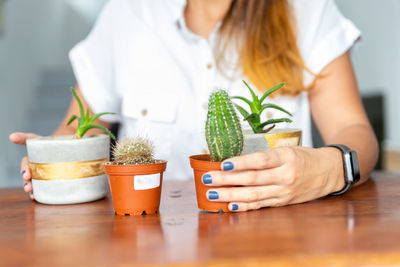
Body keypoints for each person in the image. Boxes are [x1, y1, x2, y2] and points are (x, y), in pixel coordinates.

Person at [10, 0, 378, 212]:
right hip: (147, 241)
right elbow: (81, 126)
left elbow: (353, 128)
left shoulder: (308, 10)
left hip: (276, 232)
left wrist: (334, 167)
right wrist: (53, 156)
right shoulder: (126, 14)